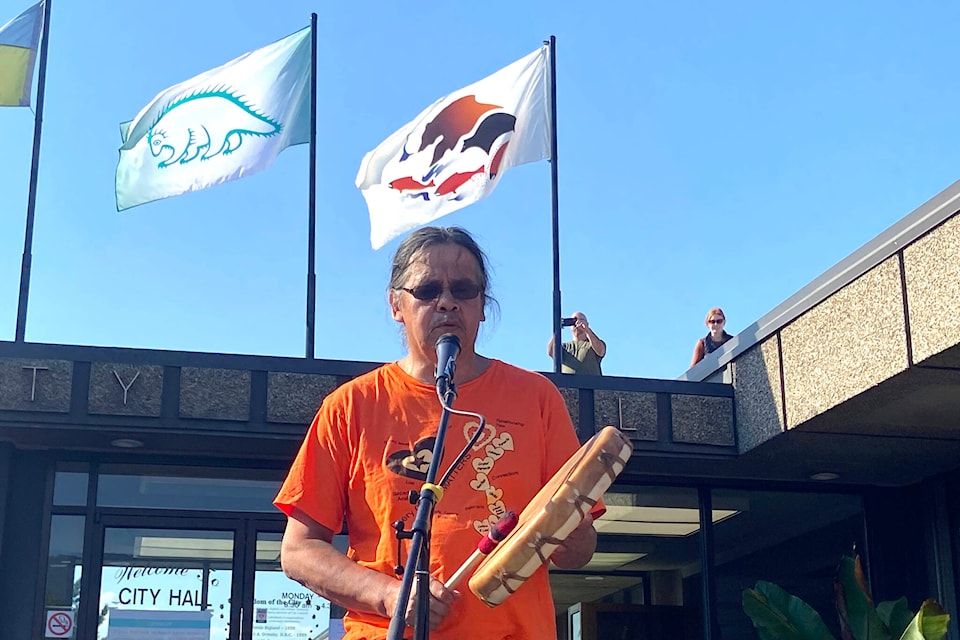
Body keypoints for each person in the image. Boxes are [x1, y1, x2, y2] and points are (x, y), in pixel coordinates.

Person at [274, 226, 601, 640]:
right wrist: (389, 595)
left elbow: (579, 551)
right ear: (396, 304)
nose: (447, 302)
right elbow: (298, 551)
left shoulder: (537, 398)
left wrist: (570, 532)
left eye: (464, 289)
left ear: (482, 305)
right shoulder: (350, 406)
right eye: (428, 290)